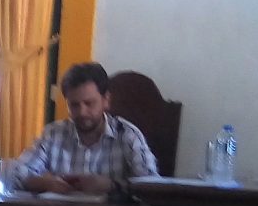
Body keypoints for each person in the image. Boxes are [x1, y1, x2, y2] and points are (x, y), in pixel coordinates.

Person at [8, 62, 160, 194]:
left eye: (89, 103)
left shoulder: (127, 134)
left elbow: (151, 185)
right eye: (74, 105)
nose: (82, 112)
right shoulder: (53, 134)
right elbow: (14, 174)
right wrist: (44, 183)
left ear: (106, 100)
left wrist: (112, 186)